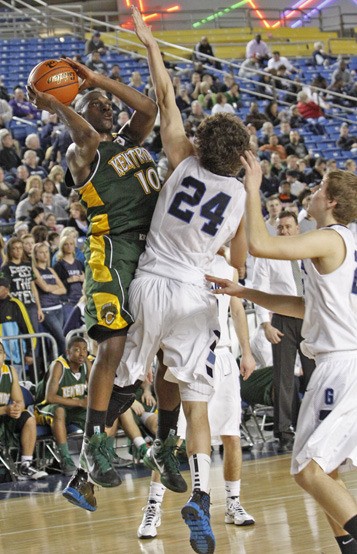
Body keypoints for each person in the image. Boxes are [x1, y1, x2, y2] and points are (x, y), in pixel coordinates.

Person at [114, 8, 249, 553]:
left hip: (152, 282)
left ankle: (95, 450)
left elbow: (166, 96)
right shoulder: (239, 196)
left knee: (128, 377)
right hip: (197, 292)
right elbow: (239, 259)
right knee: (196, 406)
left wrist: (150, 42)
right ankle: (199, 491)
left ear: (200, 144)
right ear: (237, 159)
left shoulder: (180, 158)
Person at [207, 154, 357, 554]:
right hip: (336, 362)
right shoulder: (337, 243)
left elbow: (261, 244)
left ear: (333, 202)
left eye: (320, 188)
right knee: (321, 472)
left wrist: (252, 188)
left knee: (309, 470)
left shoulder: (332, 237)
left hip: (341, 367)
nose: (313, 192)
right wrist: (246, 293)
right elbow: (306, 307)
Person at [27, 54, 160, 504]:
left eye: (107, 103)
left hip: (150, 251)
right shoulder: (79, 149)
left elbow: (150, 108)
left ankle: (87, 462)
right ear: (78, 110)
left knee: (138, 363)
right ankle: (98, 447)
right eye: (96, 102)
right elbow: (82, 132)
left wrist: (98, 79)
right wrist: (56, 103)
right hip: (114, 252)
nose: (107, 107)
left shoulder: (127, 139)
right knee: (114, 345)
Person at [137, 252, 256, 540]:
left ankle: (233, 503)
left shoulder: (227, 266)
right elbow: (160, 314)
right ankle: (153, 507)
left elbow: (237, 309)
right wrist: (150, 357)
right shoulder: (179, 262)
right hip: (187, 358)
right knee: (172, 439)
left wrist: (247, 351)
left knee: (231, 436)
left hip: (224, 356)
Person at [251, 210, 315, 452]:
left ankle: (313, 425)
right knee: (284, 378)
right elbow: (260, 289)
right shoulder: (268, 256)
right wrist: (265, 323)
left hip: (309, 317)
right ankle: (285, 431)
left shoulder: (308, 253)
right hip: (282, 319)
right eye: (280, 228)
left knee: (314, 375)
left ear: (298, 228)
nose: (285, 231)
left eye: (289, 226)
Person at [35, 336, 91, 476]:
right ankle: (66, 459)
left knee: (100, 413)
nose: (82, 353)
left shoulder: (86, 364)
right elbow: (50, 397)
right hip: (46, 408)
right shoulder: (59, 365)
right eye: (77, 350)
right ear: (68, 352)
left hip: (72, 408)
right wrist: (79, 402)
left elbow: (94, 388)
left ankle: (102, 454)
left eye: (84, 349)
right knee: (59, 411)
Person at [0, 340, 48, 480]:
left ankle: (25, 466)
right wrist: (6, 410)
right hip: (3, 412)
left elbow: (19, 400)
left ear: (4, 356)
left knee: (28, 417)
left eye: (0, 352)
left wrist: (17, 408)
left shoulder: (10, 371)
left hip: (4, 415)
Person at [1, 237, 44, 334]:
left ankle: (34, 350)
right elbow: (5, 288)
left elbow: (33, 287)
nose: (18, 251)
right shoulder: (5, 268)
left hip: (31, 305)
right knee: (20, 334)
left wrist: (39, 308)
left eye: (20, 248)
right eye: (15, 248)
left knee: (34, 334)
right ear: (10, 250)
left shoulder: (28, 265)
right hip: (16, 306)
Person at [32, 242, 67, 358]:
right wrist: (54, 288)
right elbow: (44, 287)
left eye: (46, 252)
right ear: (36, 255)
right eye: (41, 252)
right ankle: (64, 364)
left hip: (58, 307)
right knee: (61, 339)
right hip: (47, 309)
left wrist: (50, 288)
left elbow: (63, 289)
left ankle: (55, 365)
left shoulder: (50, 270)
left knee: (57, 341)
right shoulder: (34, 270)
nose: (45, 254)